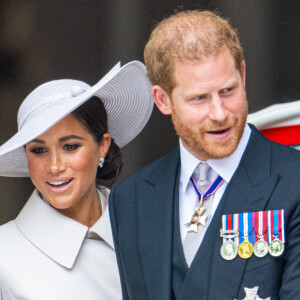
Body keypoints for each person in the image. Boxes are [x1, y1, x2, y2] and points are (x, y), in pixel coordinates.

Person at [109, 11, 300, 300]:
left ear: (243, 75)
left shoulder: (294, 181)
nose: (220, 113)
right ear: (163, 100)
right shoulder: (130, 200)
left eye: (228, 90)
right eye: (200, 98)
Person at [0, 61, 153, 299]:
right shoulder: (5, 253)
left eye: (70, 147)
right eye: (39, 151)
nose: (54, 166)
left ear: (102, 146)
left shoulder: (151, 229)